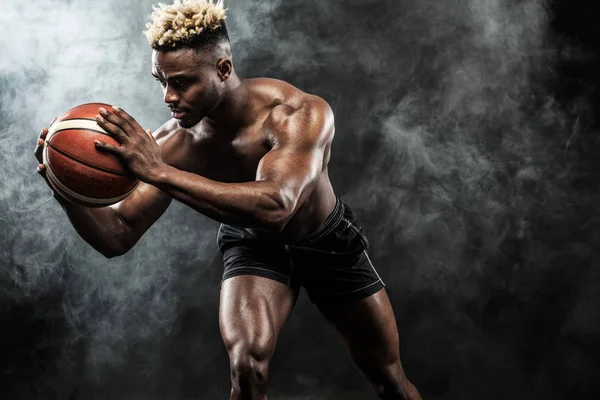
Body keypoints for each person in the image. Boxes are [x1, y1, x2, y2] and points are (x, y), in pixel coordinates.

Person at [33, 1, 422, 399]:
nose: (168, 96)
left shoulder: (298, 113)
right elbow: (117, 234)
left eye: (182, 82)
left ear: (223, 69)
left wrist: (160, 173)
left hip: (325, 239)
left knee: (390, 381)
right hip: (254, 246)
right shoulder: (173, 143)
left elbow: (276, 205)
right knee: (246, 367)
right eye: (161, 81)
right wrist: (66, 190)